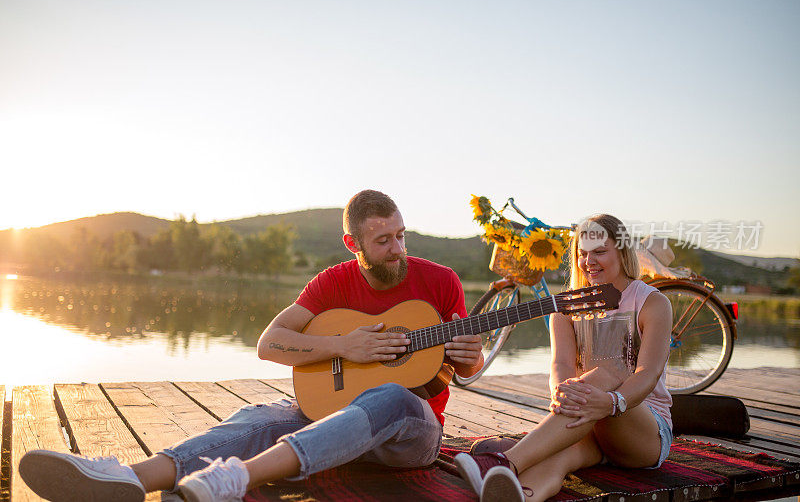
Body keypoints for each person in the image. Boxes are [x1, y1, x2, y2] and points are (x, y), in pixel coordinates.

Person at [20, 190, 484, 502]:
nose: (397, 249)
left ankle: (236, 478)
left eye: (401, 235)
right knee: (263, 415)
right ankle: (128, 478)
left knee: (391, 397)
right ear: (352, 243)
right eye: (383, 240)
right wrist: (346, 346)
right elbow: (271, 343)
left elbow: (465, 366)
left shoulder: (440, 281)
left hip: (410, 434)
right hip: (337, 421)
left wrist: (470, 357)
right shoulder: (331, 283)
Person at [454, 214, 673, 502]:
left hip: (641, 431)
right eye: (582, 254)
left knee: (606, 373)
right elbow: (561, 367)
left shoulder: (652, 302)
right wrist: (561, 392)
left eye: (599, 252)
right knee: (558, 458)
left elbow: (649, 372)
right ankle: (520, 496)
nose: (588, 261)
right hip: (589, 426)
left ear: (621, 251)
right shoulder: (565, 309)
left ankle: (504, 460)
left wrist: (610, 401)